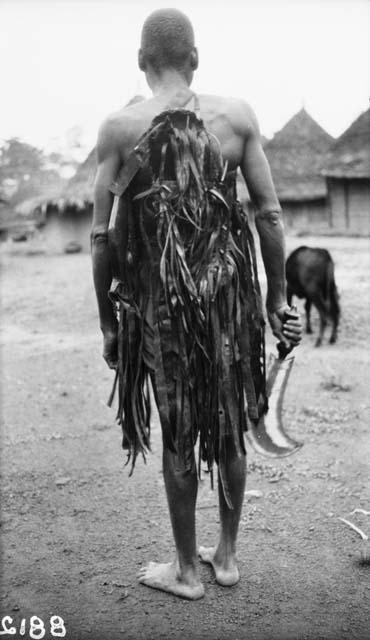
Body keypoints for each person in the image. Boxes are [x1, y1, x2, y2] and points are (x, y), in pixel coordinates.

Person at [91, 8, 302, 600]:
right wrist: (275, 297)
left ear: (140, 60)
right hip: (230, 297)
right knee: (230, 422)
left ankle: (187, 569)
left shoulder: (119, 128)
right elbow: (269, 213)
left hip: (161, 308)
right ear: (196, 58)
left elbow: (103, 236)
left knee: (180, 428)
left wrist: (109, 324)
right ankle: (227, 557)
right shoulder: (236, 117)